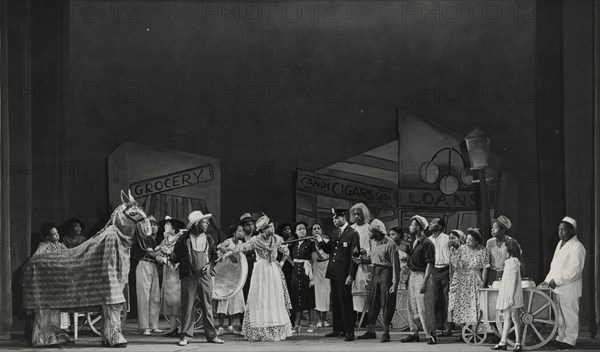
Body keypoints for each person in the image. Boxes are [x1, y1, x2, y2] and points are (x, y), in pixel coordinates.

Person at [223, 214, 293, 341]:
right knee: (260, 297)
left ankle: (274, 328)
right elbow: (243, 247)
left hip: (273, 270)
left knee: (274, 297)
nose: (271, 230)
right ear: (262, 230)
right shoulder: (255, 240)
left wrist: (281, 264)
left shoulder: (276, 238)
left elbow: (285, 251)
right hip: (260, 270)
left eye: (272, 227)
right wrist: (230, 251)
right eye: (268, 228)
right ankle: (260, 328)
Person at [164, 210, 224, 346]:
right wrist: (168, 253)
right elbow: (176, 257)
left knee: (208, 307)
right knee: (187, 307)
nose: (207, 224)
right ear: (196, 224)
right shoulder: (183, 239)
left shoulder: (209, 238)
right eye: (204, 222)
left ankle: (212, 335)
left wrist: (210, 266)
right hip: (189, 276)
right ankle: (185, 336)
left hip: (205, 276)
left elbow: (215, 257)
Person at [538, 216, 586, 349]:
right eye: (559, 229)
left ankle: (570, 340)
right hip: (556, 287)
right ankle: (560, 337)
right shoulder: (560, 244)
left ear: (572, 231)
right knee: (559, 316)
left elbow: (575, 271)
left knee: (569, 315)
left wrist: (557, 281)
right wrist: (547, 281)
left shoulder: (577, 247)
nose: (560, 232)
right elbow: (554, 266)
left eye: (564, 230)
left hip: (568, 288)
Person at [314, 208, 360, 341]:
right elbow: (329, 250)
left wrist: (351, 275)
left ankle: (349, 331)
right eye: (333, 219)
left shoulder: (352, 233)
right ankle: (338, 329)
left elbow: (354, 256)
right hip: (334, 272)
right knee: (336, 303)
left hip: (344, 273)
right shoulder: (335, 232)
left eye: (336, 218)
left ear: (343, 217)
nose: (334, 221)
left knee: (345, 303)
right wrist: (321, 242)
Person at [355, 219, 400, 343]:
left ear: (378, 232)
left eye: (371, 232)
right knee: (373, 300)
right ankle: (371, 331)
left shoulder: (391, 244)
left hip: (387, 272)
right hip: (376, 271)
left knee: (387, 302)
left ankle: (386, 333)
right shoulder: (372, 242)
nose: (369, 234)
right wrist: (362, 260)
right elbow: (373, 258)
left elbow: (396, 266)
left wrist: (395, 283)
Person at [30, 223, 71, 347]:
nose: (57, 235)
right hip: (45, 284)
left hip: (57, 282)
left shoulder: (61, 246)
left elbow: (70, 257)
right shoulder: (43, 246)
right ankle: (42, 340)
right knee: (45, 312)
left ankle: (55, 337)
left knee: (55, 311)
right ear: (47, 237)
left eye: (57, 233)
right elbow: (35, 260)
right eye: (54, 234)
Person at [401, 215, 437, 345]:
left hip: (422, 275)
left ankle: (430, 334)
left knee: (424, 306)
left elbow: (429, 264)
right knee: (412, 305)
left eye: (412, 225)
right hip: (413, 275)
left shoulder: (427, 243)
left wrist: (425, 281)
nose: (410, 227)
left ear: (419, 227)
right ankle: (414, 332)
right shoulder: (414, 242)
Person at [448, 228, 490, 333]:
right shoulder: (462, 249)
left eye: (470, 240)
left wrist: (483, 282)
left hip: (475, 279)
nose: (467, 241)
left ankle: (475, 329)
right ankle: (464, 331)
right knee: (462, 304)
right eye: (467, 239)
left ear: (477, 241)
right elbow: (456, 266)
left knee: (475, 304)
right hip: (463, 279)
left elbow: (485, 267)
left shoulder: (483, 250)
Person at [131, 215, 163, 336]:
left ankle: (154, 325)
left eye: (155, 225)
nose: (153, 227)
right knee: (144, 296)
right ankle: (144, 327)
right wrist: (161, 252)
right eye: (151, 224)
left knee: (155, 296)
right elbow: (151, 252)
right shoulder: (143, 237)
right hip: (144, 265)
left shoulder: (154, 239)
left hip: (153, 266)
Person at [155, 216, 186, 337]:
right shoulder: (165, 240)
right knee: (169, 300)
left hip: (178, 273)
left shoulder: (180, 239)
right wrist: (160, 258)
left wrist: (167, 258)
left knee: (178, 300)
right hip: (168, 273)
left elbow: (181, 256)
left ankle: (183, 328)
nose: (165, 227)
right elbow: (157, 253)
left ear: (174, 228)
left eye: (168, 225)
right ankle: (173, 327)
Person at [491, 239, 524, 351]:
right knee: (506, 318)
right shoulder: (508, 262)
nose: (502, 250)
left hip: (513, 294)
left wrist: (511, 296)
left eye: (504, 248)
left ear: (509, 249)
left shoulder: (514, 261)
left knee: (515, 318)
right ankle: (503, 342)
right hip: (507, 293)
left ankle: (518, 343)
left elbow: (514, 281)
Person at [215, 223, 246, 336]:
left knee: (234, 300)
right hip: (227, 274)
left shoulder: (242, 243)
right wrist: (231, 255)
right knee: (224, 300)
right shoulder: (229, 241)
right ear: (234, 233)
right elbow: (220, 246)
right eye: (240, 231)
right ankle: (220, 327)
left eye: (242, 231)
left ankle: (231, 326)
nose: (242, 233)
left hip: (237, 275)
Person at [289, 221, 316, 333]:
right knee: (296, 297)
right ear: (295, 231)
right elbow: (287, 255)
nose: (302, 231)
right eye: (299, 229)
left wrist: (312, 277)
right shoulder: (293, 243)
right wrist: (293, 263)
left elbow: (313, 259)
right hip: (295, 272)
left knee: (309, 297)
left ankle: (311, 323)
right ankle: (297, 323)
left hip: (306, 270)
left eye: (304, 229)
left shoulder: (310, 243)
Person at [349, 203, 373, 318]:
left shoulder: (369, 229)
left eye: (359, 214)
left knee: (364, 289)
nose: (357, 216)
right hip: (352, 263)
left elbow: (373, 246)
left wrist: (365, 251)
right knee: (353, 289)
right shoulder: (351, 229)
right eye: (355, 214)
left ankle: (365, 316)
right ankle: (354, 314)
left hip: (365, 264)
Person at [428, 217, 451, 335]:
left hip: (446, 269)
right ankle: (438, 325)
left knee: (447, 298)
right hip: (434, 270)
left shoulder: (447, 238)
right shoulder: (429, 240)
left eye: (433, 222)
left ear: (440, 226)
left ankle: (448, 326)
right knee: (436, 299)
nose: (430, 224)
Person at [311, 222, 331, 328]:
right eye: (314, 229)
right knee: (317, 293)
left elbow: (327, 254)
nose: (316, 230)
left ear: (321, 230)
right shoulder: (310, 243)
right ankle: (318, 319)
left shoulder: (326, 241)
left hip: (326, 266)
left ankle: (325, 318)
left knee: (326, 292)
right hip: (316, 266)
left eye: (318, 228)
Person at [486, 215, 512, 286]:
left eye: (495, 228)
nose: (492, 229)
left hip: (506, 274)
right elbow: (487, 262)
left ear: (503, 230)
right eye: (492, 227)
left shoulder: (511, 243)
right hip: (492, 274)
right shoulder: (489, 242)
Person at [446, 229, 465, 330]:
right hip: (454, 278)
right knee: (451, 302)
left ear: (460, 239)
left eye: (453, 238)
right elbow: (451, 267)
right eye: (450, 238)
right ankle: (449, 326)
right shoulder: (452, 250)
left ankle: (463, 329)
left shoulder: (464, 249)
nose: (451, 240)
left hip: (463, 278)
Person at [239, 213, 256, 301]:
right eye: (248, 225)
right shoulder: (239, 239)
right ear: (242, 227)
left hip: (256, 266)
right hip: (244, 266)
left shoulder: (257, 238)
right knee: (245, 288)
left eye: (252, 224)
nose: (251, 227)